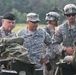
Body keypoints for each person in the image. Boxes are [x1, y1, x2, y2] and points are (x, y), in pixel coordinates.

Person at [52, 4, 76, 75]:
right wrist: (64, 49)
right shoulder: (61, 29)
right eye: (69, 15)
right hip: (67, 62)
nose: (71, 17)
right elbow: (54, 44)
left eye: (73, 14)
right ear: (65, 15)